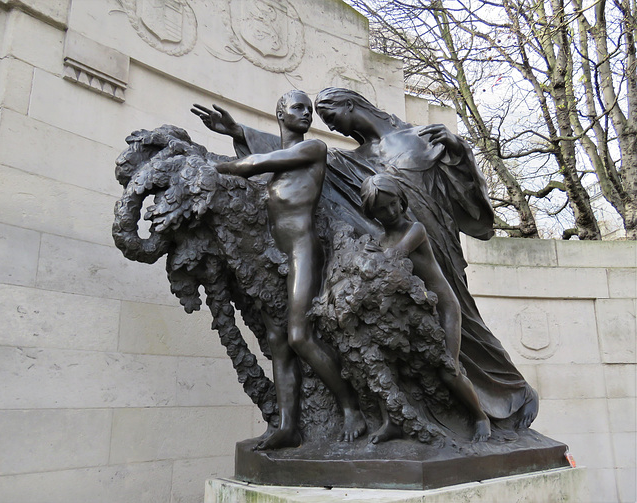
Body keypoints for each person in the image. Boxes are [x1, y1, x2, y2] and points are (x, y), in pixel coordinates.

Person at [192, 87, 539, 432]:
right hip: (396, 241)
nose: (336, 127)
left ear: (351, 104)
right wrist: (240, 133)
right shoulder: (355, 157)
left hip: (436, 239)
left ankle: (513, 390)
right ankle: (436, 411)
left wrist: (458, 148)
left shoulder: (420, 136)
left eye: (333, 117)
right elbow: (296, 155)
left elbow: (471, 196)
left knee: (465, 318)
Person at [209, 90, 366, 449]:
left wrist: (211, 167)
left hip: (302, 251)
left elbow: (256, 163)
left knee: (299, 336)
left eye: (309, 110)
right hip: (274, 254)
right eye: (298, 108)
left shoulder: (312, 150)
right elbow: (266, 152)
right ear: (281, 113)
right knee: (278, 342)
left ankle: (351, 406)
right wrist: (236, 132)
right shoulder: (284, 155)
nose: (307, 114)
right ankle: (287, 426)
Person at [361, 173, 491, 442]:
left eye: (393, 203)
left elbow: (393, 258)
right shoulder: (377, 240)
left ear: (402, 200)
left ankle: (480, 416)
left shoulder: (415, 230)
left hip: (444, 308)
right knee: (386, 362)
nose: (391, 211)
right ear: (372, 213)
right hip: (412, 312)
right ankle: (392, 421)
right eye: (382, 209)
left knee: (448, 369)